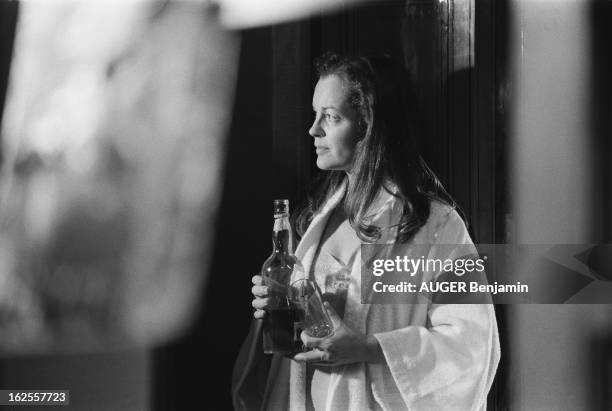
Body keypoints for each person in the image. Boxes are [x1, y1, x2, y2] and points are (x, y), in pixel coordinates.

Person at [234, 52, 500, 411]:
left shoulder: (435, 225)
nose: (314, 130)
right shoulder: (316, 217)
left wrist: (367, 347)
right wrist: (277, 305)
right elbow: (302, 336)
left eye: (330, 117)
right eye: (315, 115)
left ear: (368, 124)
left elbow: (471, 346)